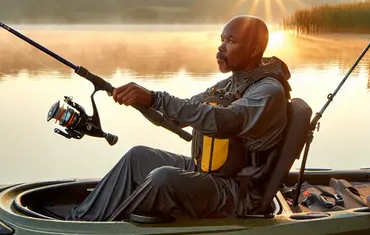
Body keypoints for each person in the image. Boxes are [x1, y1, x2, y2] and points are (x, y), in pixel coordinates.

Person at [68, 15, 291, 222]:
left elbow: (225, 121)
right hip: (209, 172)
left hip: (239, 193)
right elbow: (177, 118)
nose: (221, 47)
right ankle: (81, 219)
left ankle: (102, 232)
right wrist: (141, 101)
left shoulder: (268, 91)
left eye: (230, 41)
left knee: (163, 178)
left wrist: (156, 99)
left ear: (253, 50)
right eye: (222, 39)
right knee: (138, 156)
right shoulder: (229, 84)